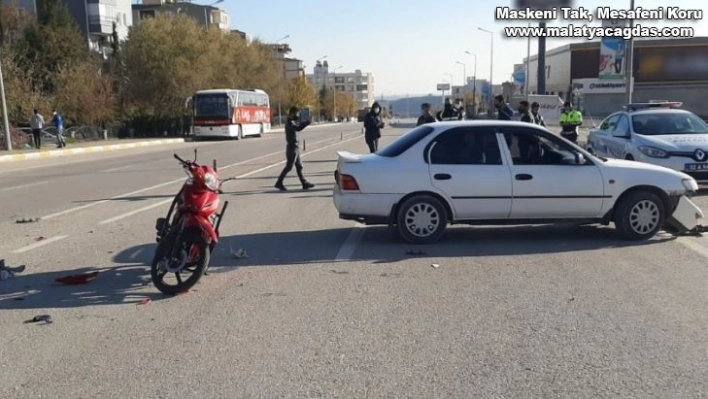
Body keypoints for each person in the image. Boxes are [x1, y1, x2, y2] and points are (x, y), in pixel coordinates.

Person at [274, 106, 315, 191]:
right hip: (292, 148)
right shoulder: (290, 122)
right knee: (289, 166)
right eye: (297, 113)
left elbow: (298, 125)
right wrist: (307, 123)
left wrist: (305, 122)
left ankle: (304, 183)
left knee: (299, 166)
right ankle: (279, 182)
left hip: (295, 147)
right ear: (292, 113)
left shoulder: (292, 121)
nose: (298, 115)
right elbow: (298, 128)